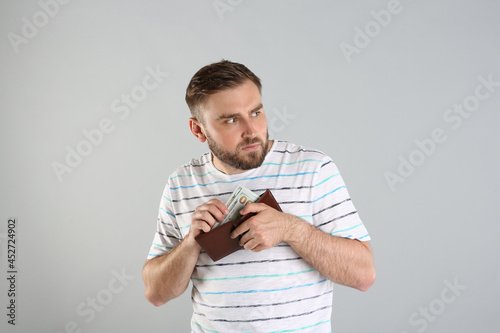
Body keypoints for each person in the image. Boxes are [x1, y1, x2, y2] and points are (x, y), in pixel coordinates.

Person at [142, 60, 375, 332]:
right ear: (198, 130)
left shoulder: (313, 169)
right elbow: (157, 293)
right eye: (231, 120)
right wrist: (191, 243)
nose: (252, 131)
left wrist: (292, 229)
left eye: (255, 113)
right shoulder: (180, 184)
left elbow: (363, 275)